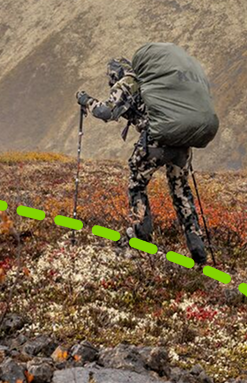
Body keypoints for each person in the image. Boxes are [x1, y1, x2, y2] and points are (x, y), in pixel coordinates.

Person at [77, 58, 208, 264]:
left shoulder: (127, 83)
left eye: (110, 76)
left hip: (155, 142)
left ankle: (142, 239)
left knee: (137, 186)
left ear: (115, 74)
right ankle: (198, 249)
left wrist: (85, 100)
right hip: (182, 142)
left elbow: (106, 112)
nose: (110, 81)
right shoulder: (153, 82)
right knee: (181, 192)